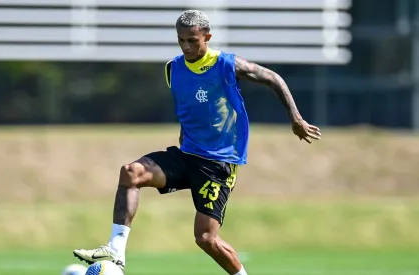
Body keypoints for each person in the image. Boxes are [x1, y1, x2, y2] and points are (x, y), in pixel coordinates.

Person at [73, 9, 321, 275]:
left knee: (205, 238)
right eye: (181, 40)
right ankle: (116, 251)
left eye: (193, 40)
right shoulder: (173, 68)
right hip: (187, 154)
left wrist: (296, 118)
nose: (187, 46)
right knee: (130, 172)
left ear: (207, 36)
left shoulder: (227, 64)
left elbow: (274, 78)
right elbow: (189, 107)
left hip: (217, 162)